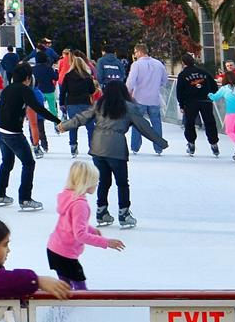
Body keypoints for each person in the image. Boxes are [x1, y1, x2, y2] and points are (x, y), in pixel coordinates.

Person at [57, 81, 167, 229]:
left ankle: (102, 212)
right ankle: (124, 214)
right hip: (116, 148)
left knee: (103, 181)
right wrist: (160, 141)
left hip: (97, 148)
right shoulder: (129, 107)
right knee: (122, 182)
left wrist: (64, 125)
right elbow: (143, 126)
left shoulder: (99, 104)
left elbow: (81, 118)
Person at [46, 160, 125, 290]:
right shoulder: (80, 204)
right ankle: (73, 308)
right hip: (65, 254)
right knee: (81, 290)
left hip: (54, 249)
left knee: (65, 288)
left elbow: (70, 223)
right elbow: (80, 235)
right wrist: (106, 242)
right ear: (87, 182)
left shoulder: (68, 197)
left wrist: (91, 229)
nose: (97, 183)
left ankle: (61, 308)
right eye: (95, 180)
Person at [0, 69, 57, 211]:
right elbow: (38, 109)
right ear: (28, 78)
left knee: (7, 162)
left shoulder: (7, 89)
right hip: (13, 133)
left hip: (0, 131)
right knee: (28, 163)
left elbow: (0, 110)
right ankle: (25, 198)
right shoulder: (25, 90)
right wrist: (57, 120)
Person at [124, 43, 168, 154]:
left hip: (139, 98)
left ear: (139, 52)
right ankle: (158, 147)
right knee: (156, 122)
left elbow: (130, 81)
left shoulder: (136, 65)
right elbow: (164, 80)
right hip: (154, 98)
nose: (134, 55)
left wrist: (126, 92)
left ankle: (135, 147)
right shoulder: (158, 64)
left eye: (135, 52)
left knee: (137, 123)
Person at [174, 53, 221, 157]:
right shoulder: (204, 72)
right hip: (206, 101)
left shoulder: (183, 75)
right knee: (209, 122)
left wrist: (181, 104)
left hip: (190, 102)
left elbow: (179, 91)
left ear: (183, 63)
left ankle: (191, 143)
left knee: (189, 123)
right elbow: (214, 87)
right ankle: (214, 144)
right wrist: (210, 95)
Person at [57, 53, 97, 156]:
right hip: (85, 103)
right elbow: (92, 91)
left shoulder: (68, 76)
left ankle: (73, 147)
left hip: (71, 103)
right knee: (90, 127)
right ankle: (92, 147)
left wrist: (62, 103)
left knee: (73, 125)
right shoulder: (87, 77)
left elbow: (63, 91)